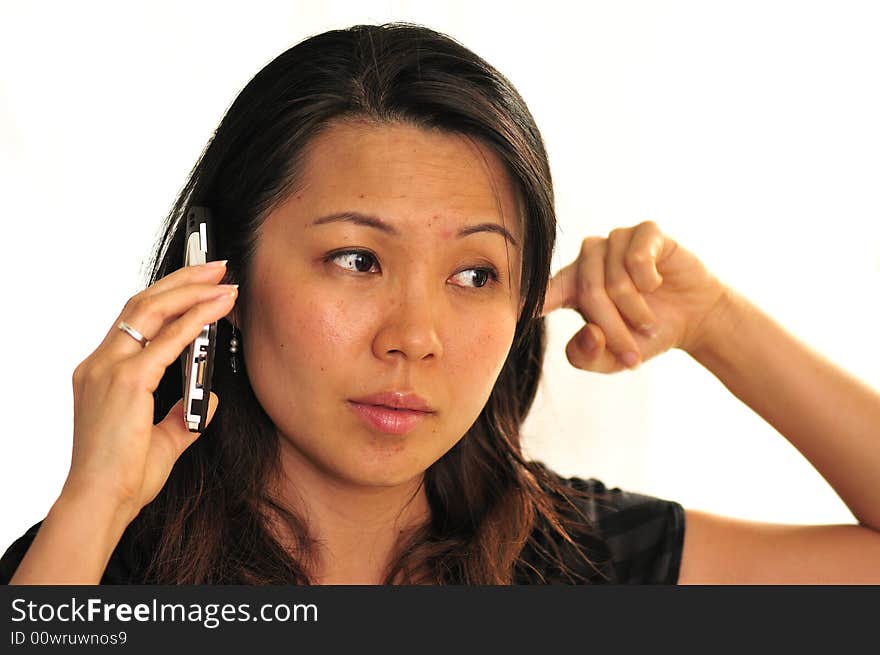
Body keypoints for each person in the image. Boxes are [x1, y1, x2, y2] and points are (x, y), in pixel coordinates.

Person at [2, 22, 879, 585]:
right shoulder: (90, 571)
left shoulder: (584, 559)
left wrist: (717, 323)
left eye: (474, 275)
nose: (414, 338)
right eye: (355, 259)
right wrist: (96, 505)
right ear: (222, 280)